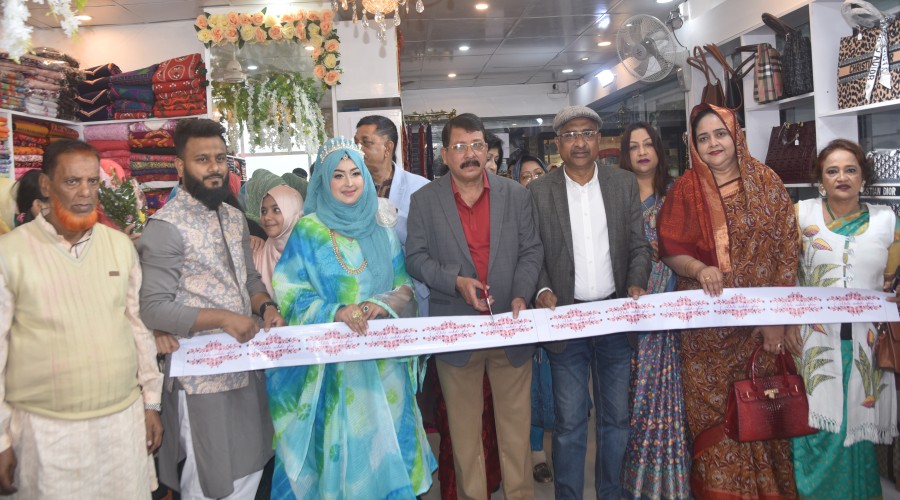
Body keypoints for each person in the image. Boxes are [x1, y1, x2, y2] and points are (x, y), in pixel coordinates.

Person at [267, 137, 436, 498]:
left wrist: (381, 303)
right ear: (323, 180)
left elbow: (405, 286)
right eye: (338, 175)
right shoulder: (309, 231)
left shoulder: (382, 225)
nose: (349, 182)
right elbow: (289, 292)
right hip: (335, 370)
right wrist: (336, 311)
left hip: (384, 367)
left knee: (389, 450)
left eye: (355, 173)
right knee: (347, 456)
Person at [0, 139, 163, 497]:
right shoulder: (10, 253)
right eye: (72, 181)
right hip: (46, 431)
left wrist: (151, 401)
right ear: (46, 185)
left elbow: (138, 327)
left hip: (121, 423)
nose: (86, 192)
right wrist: (1, 439)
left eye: (92, 181)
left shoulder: (119, 246)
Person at [657, 103, 800, 498]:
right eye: (703, 138)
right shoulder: (685, 190)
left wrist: (775, 320)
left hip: (759, 330)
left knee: (762, 412)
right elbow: (669, 249)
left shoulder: (767, 182)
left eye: (720, 133)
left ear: (736, 135)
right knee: (716, 422)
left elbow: (787, 252)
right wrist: (698, 268)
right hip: (706, 335)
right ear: (694, 146)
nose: (713, 143)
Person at [137, 119, 285, 499]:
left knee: (252, 465)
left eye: (220, 158)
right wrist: (222, 319)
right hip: (201, 379)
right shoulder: (166, 227)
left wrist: (266, 307)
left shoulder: (234, 218)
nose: (214, 167)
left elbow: (249, 280)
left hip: (245, 367)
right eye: (202, 159)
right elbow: (153, 308)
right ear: (180, 166)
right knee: (210, 478)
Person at [406, 113, 544, 500]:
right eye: (460, 147)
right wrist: (455, 281)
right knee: (466, 440)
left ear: (488, 151)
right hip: (457, 331)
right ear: (444, 154)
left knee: (515, 434)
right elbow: (415, 258)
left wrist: (521, 293)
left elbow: (531, 250)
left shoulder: (515, 195)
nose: (470, 154)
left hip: (510, 328)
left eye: (477, 145)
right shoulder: (425, 201)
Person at [527, 106, 651, 500]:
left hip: (614, 316)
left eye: (587, 133)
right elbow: (533, 252)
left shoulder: (622, 184)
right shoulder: (539, 192)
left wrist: (636, 282)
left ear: (599, 139)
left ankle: (610, 493)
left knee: (616, 420)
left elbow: (639, 246)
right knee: (569, 424)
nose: (579, 142)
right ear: (557, 143)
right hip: (566, 318)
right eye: (570, 134)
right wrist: (541, 290)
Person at [788, 139, 898, 498]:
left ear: (863, 177)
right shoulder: (800, 215)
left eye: (851, 170)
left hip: (868, 345)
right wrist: (784, 323)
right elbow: (782, 272)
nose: (842, 177)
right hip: (813, 345)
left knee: (859, 434)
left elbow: (893, 275)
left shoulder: (887, 221)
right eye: (832, 171)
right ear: (820, 179)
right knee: (816, 433)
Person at [618, 122, 690, 500]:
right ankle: (635, 485)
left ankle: (669, 486)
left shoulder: (677, 194)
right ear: (625, 155)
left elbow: (695, 245)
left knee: (667, 396)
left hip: (670, 309)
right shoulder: (617, 196)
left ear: (659, 150)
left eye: (648, 144)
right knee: (631, 400)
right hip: (630, 308)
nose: (642, 152)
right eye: (634, 146)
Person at [253, 184, 303, 297]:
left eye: (276, 210)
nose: (267, 217)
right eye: (263, 211)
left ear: (294, 212)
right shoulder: (255, 255)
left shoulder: (313, 255)